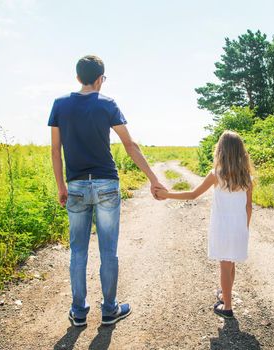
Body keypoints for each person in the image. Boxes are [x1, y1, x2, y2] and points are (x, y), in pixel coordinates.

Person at [48, 55, 166, 327]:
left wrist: (61, 186)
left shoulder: (60, 105)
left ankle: (78, 311)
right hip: (106, 184)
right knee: (108, 250)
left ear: (78, 77)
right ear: (100, 78)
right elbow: (129, 144)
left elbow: (56, 149)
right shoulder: (107, 104)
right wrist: (153, 178)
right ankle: (109, 309)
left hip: (76, 185)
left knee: (78, 251)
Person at [156, 131, 253, 318]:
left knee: (225, 265)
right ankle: (226, 298)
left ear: (221, 151)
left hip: (223, 227)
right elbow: (248, 206)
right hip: (240, 227)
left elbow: (193, 195)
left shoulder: (216, 174)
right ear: (241, 151)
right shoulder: (246, 177)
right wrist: (245, 227)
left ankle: (227, 308)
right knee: (230, 264)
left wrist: (166, 195)